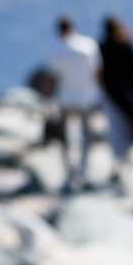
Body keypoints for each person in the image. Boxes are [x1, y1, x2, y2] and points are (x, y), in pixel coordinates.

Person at [48, 16, 100, 191]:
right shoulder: (90, 45)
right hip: (87, 97)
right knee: (86, 138)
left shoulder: (59, 50)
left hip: (66, 99)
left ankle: (69, 174)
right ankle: (84, 172)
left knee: (66, 140)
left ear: (60, 31)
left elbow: (53, 77)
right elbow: (98, 71)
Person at [98, 15, 133, 177]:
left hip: (111, 92)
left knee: (117, 128)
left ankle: (120, 161)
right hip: (128, 91)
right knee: (130, 125)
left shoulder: (102, 47)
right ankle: (128, 160)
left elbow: (100, 73)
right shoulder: (126, 44)